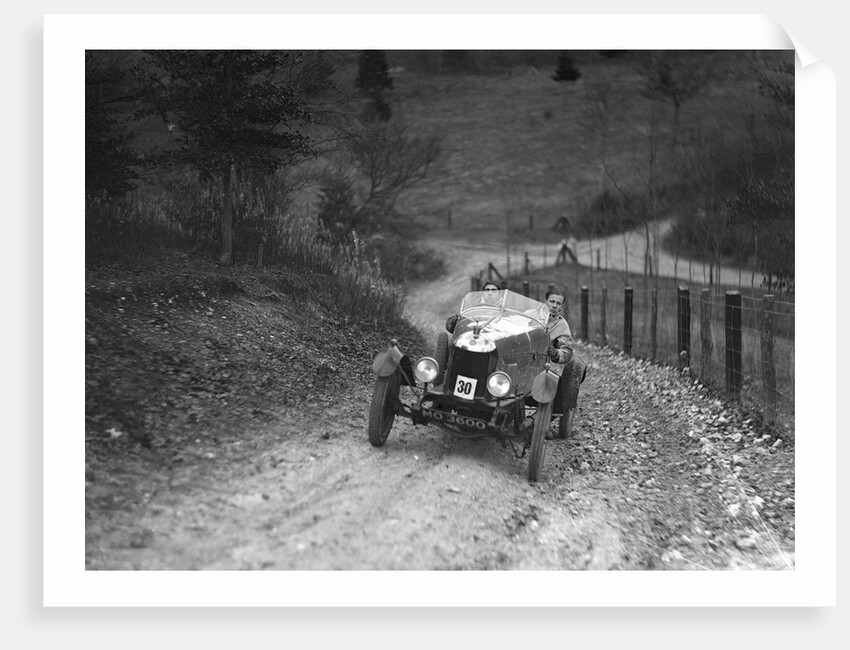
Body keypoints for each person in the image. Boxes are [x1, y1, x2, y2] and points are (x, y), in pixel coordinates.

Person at [542, 288, 587, 439]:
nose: (554, 305)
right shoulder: (532, 316)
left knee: (551, 380)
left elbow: (566, 350)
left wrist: (555, 353)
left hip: (546, 363)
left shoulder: (562, 326)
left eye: (558, 303)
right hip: (525, 358)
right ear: (545, 301)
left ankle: (543, 423)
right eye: (552, 301)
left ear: (561, 306)